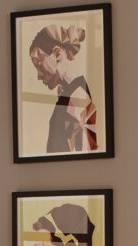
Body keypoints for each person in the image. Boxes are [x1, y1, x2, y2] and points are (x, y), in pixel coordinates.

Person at [27, 23, 99, 154]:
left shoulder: (77, 96)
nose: (38, 75)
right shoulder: (71, 94)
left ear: (56, 53)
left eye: (38, 63)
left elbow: (84, 154)